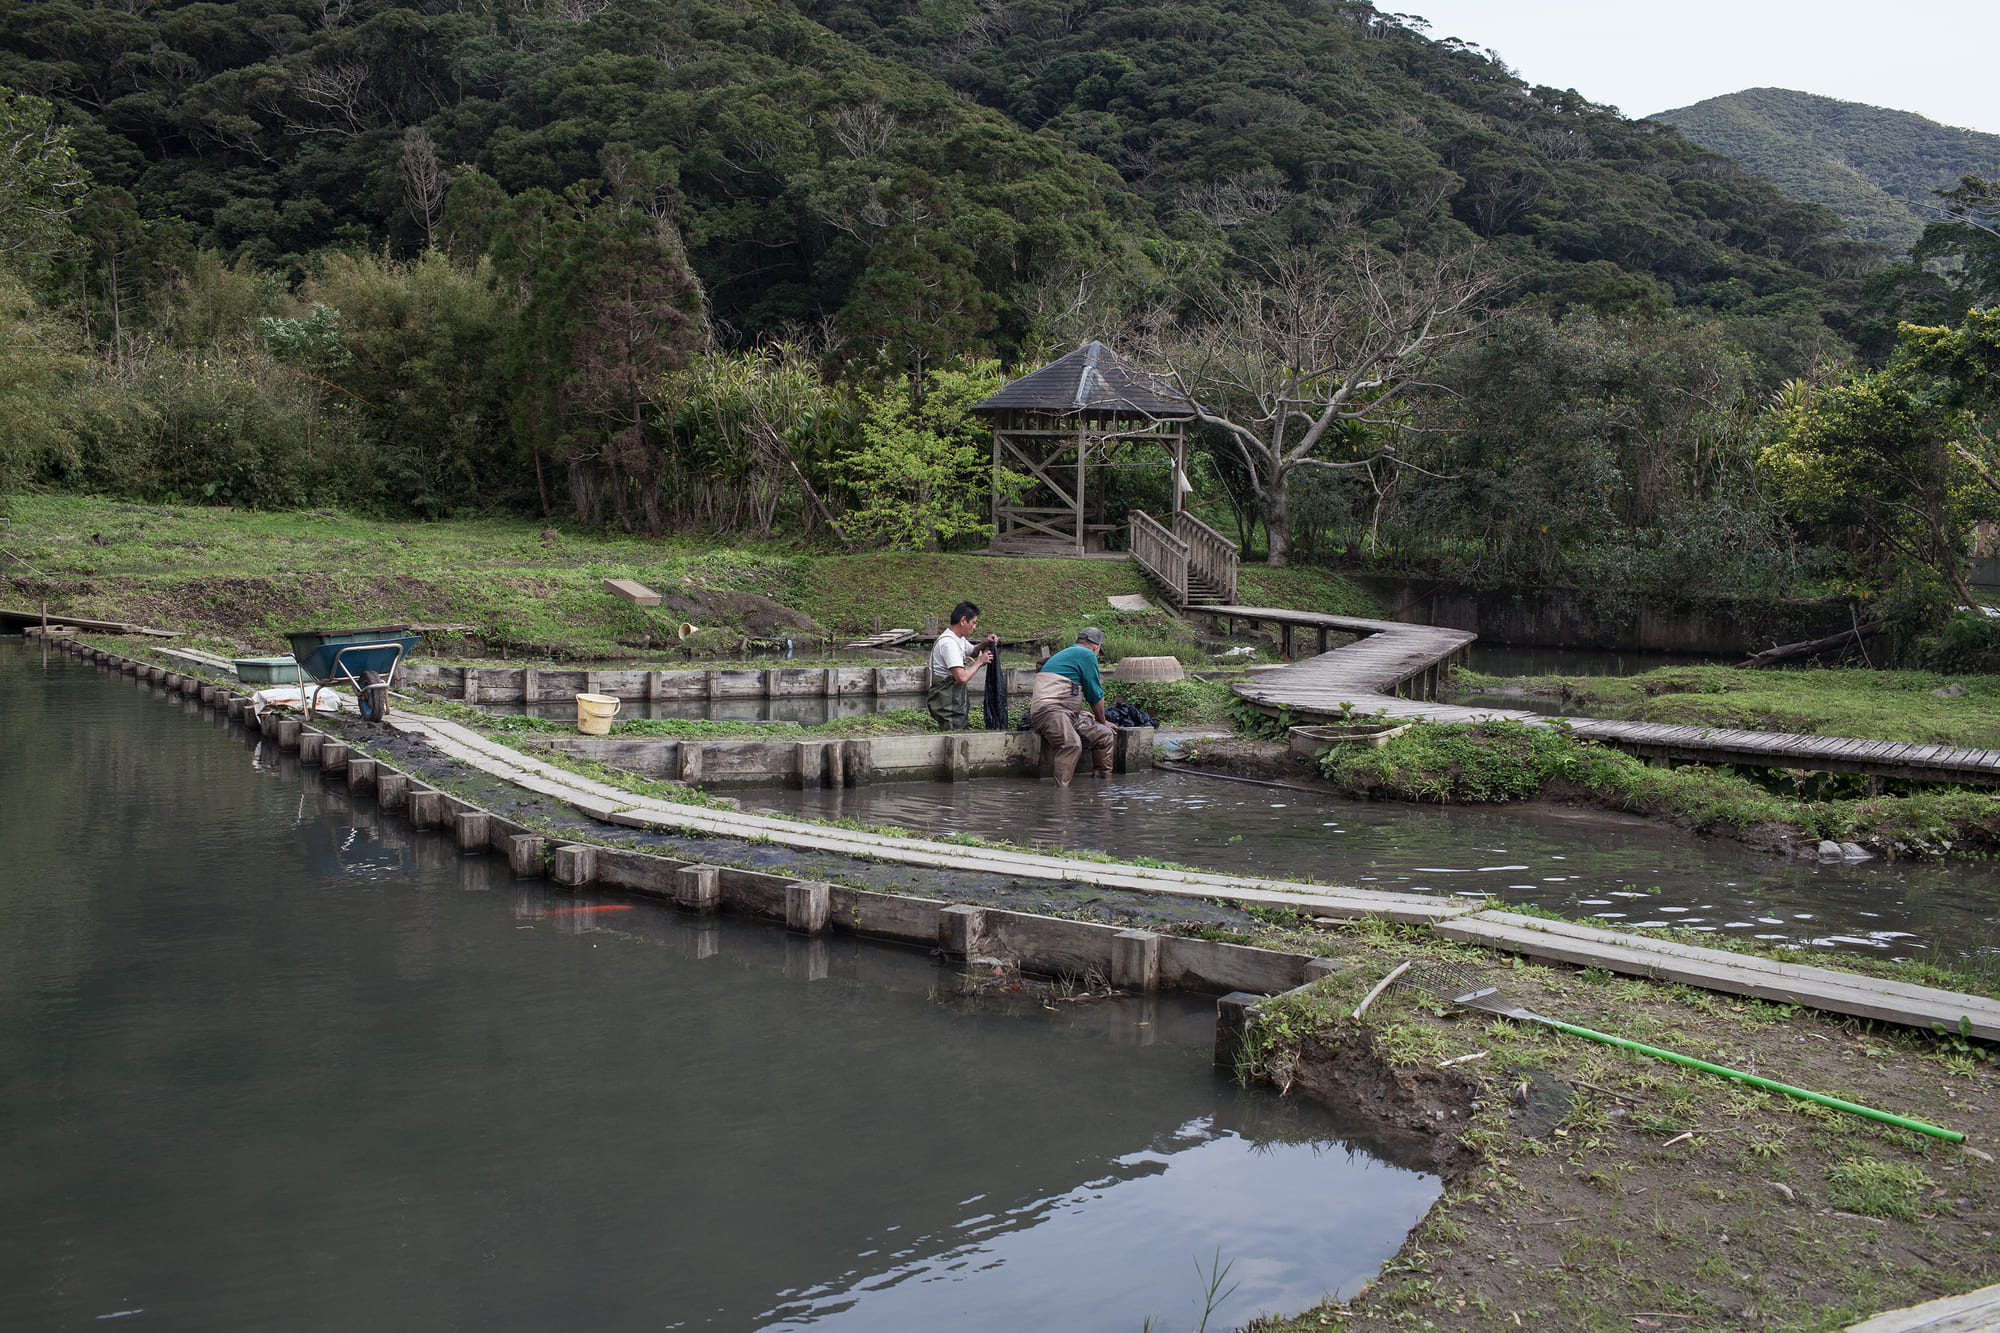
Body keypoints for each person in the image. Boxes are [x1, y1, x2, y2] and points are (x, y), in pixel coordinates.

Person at [1030, 627, 1118, 785]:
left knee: (1104, 736)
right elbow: (1095, 695)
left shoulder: (1067, 654)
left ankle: (1102, 786)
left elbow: (1061, 691)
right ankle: (1062, 793)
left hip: (1065, 713)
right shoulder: (1087, 654)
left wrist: (1077, 712)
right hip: (1050, 713)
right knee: (1071, 745)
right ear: (1096, 647)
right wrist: (1103, 721)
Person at [927, 601, 995, 731]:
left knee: (959, 727)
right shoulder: (949, 643)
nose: (974, 627)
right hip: (947, 701)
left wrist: (985, 643)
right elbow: (961, 677)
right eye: (973, 622)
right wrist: (979, 663)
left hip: (953, 699)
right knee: (952, 731)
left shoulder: (958, 638)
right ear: (963, 621)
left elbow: (972, 651)